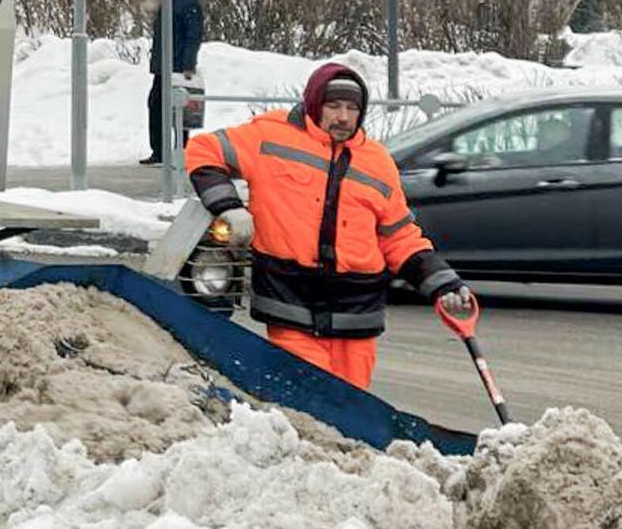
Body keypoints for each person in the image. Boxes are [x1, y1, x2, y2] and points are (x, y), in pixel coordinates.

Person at [183, 63, 474, 389]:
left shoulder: (377, 162)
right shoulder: (270, 138)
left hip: (356, 310)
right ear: (314, 104)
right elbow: (203, 150)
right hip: (290, 301)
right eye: (334, 106)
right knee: (306, 400)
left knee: (351, 407)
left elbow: (399, 236)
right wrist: (228, 207)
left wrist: (442, 282)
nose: (344, 117)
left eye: (352, 108)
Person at [143, 0, 204, 165]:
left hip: (178, 65)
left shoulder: (188, 1)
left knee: (179, 110)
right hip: (163, 64)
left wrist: (188, 64)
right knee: (156, 104)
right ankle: (159, 151)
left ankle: (181, 150)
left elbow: (193, 34)